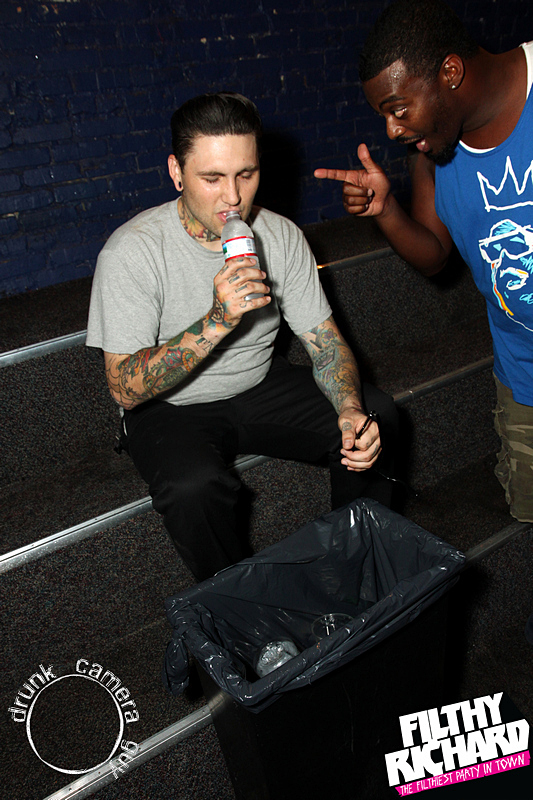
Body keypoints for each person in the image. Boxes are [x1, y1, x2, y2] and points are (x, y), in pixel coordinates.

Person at [87, 91, 398, 582]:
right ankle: (238, 606)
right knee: (193, 487)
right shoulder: (132, 251)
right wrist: (217, 319)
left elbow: (326, 343)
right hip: (170, 404)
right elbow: (124, 387)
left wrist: (349, 408)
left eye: (245, 174)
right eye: (212, 178)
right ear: (176, 172)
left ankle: (357, 570)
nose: (232, 197)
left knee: (377, 419)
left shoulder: (281, 235)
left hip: (257, 383)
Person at [315, 0, 533, 527]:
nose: (392, 130)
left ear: (450, 72)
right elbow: (435, 256)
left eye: (398, 108)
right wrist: (386, 211)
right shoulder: (435, 147)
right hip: (523, 376)